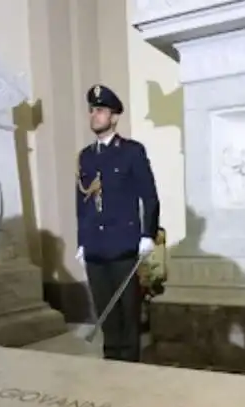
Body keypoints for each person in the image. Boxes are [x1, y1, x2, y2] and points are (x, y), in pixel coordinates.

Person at [76, 84, 160, 362]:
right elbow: (82, 203)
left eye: (100, 110)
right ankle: (111, 362)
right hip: (95, 248)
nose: (94, 115)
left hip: (124, 246)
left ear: (114, 117)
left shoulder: (132, 152)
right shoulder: (86, 156)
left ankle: (130, 364)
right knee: (105, 311)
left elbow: (149, 197)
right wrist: (81, 242)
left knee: (127, 311)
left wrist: (147, 234)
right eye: (92, 110)